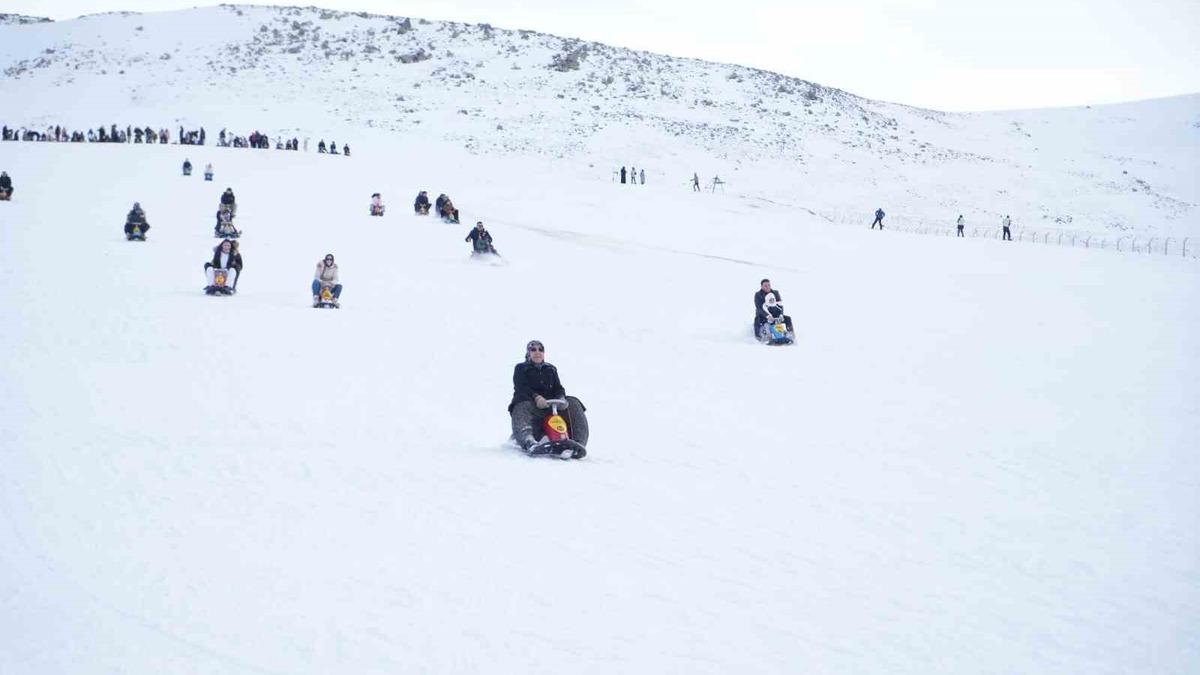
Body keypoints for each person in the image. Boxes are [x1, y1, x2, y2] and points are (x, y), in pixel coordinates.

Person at [508, 340, 567, 451]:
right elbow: (521, 387)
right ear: (528, 353)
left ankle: (577, 440)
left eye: (540, 350)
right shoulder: (521, 368)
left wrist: (561, 398)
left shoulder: (551, 369)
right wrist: (536, 397)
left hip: (549, 407)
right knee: (521, 402)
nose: (537, 352)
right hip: (531, 407)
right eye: (533, 350)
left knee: (573, 402)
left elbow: (558, 388)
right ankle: (528, 441)